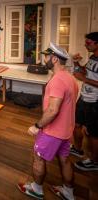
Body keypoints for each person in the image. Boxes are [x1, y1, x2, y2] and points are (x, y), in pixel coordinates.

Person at [17, 42, 78, 200]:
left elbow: (53, 110)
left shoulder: (57, 80)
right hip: (66, 130)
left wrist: (37, 126)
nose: (44, 58)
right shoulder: (70, 78)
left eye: (46, 56)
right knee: (64, 160)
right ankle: (68, 192)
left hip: (53, 130)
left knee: (38, 156)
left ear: (55, 59)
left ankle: (36, 189)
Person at [70, 32, 98, 171]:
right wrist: (76, 63)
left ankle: (94, 162)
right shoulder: (93, 58)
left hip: (95, 102)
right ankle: (77, 149)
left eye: (88, 43)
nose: (85, 45)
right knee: (76, 124)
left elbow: (84, 77)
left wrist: (83, 79)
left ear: (97, 44)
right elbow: (84, 71)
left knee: (92, 133)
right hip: (84, 97)